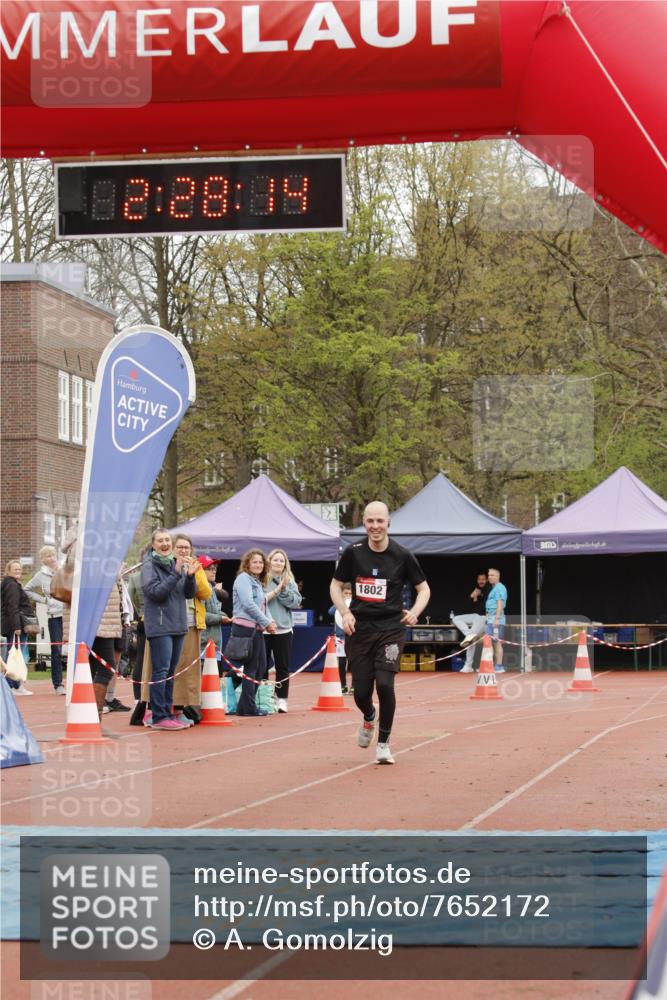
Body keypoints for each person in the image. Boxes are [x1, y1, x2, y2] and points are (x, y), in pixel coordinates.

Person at [330, 501, 430, 765]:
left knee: (385, 684)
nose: (375, 526)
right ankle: (369, 717)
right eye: (370, 521)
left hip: (390, 629)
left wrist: (415, 611)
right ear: (364, 523)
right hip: (360, 629)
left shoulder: (402, 554)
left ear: (388, 523)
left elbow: (424, 589)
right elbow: (335, 585)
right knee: (361, 692)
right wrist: (345, 612)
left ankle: (384, 744)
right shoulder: (353, 553)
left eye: (380, 521)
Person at [61, 525, 123, 719]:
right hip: (97, 617)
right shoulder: (86, 545)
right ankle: (93, 713)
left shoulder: (83, 545)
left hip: (97, 616)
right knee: (105, 666)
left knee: (89, 666)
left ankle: (86, 711)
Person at [141, 528, 197, 730]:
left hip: (178, 624)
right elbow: (156, 593)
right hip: (160, 625)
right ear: (153, 544)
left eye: (167, 540)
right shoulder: (149, 566)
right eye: (160, 541)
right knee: (161, 670)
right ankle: (158, 716)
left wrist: (190, 576)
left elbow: (188, 594)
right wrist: (175, 573)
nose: (164, 544)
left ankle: (167, 712)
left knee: (171, 672)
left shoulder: (177, 564)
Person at [229, 549, 276, 717]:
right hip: (245, 628)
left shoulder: (256, 581)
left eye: (261, 562)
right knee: (252, 667)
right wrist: (266, 622)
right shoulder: (243, 579)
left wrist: (270, 621)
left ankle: (245, 705)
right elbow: (248, 604)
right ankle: (248, 707)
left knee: (261, 666)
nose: (258, 565)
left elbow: (263, 605)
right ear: (247, 563)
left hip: (256, 629)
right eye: (255, 562)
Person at [263, 548, 302, 713]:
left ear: (285, 564)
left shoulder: (290, 581)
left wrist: (284, 588)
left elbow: (294, 603)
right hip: (264, 629)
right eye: (275, 560)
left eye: (282, 560)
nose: (278, 563)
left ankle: (282, 699)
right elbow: (260, 601)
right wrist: (277, 589)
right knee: (262, 665)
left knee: (282, 666)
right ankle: (264, 697)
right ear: (269, 561)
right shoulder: (261, 580)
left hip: (284, 630)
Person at [24, 545, 65, 694]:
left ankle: (77, 681)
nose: (52, 558)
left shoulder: (65, 570)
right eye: (48, 556)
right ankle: (58, 684)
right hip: (54, 616)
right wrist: (45, 600)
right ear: (43, 560)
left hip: (69, 614)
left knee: (76, 648)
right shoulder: (40, 575)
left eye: (53, 554)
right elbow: (26, 589)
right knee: (57, 650)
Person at [1, 559, 34, 695]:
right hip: (15, 625)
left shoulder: (12, 584)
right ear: (8, 571)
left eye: (19, 569)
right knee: (17, 656)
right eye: (15, 569)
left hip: (12, 624)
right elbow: (12, 607)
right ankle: (14, 685)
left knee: (14, 654)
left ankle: (14, 685)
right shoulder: (12, 586)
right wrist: (17, 627)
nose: (18, 571)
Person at [452, 571, 490, 673]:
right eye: (479, 579)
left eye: (483, 579)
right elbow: (470, 606)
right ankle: (469, 634)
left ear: (486, 580)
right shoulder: (477, 590)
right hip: (476, 616)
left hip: (483, 618)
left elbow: (487, 603)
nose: (481, 581)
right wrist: (473, 597)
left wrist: (480, 593)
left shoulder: (489, 589)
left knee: (472, 641)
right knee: (455, 618)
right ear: (477, 580)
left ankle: (468, 665)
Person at [200, 555, 231, 660]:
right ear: (200, 571)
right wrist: (220, 618)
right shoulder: (200, 589)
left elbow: (215, 611)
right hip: (203, 645)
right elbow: (200, 615)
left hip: (212, 643)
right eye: (210, 569)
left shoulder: (211, 587)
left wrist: (224, 616)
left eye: (215, 569)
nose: (214, 571)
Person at [328, 582, 353, 693]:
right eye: (346, 593)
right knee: (342, 662)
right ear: (342, 594)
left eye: (350, 593)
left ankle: (354, 686)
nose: (348, 595)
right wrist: (340, 603)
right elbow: (330, 612)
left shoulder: (355, 604)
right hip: (340, 637)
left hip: (353, 636)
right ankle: (343, 685)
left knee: (353, 662)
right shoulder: (338, 605)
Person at [485, 567, 508, 672]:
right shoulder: (494, 588)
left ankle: (499, 666)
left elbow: (500, 603)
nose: (489, 577)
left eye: (492, 575)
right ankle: (494, 666)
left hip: (496, 618)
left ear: (498, 576)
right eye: (489, 575)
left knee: (496, 642)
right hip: (491, 618)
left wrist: (497, 619)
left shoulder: (500, 587)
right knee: (491, 642)